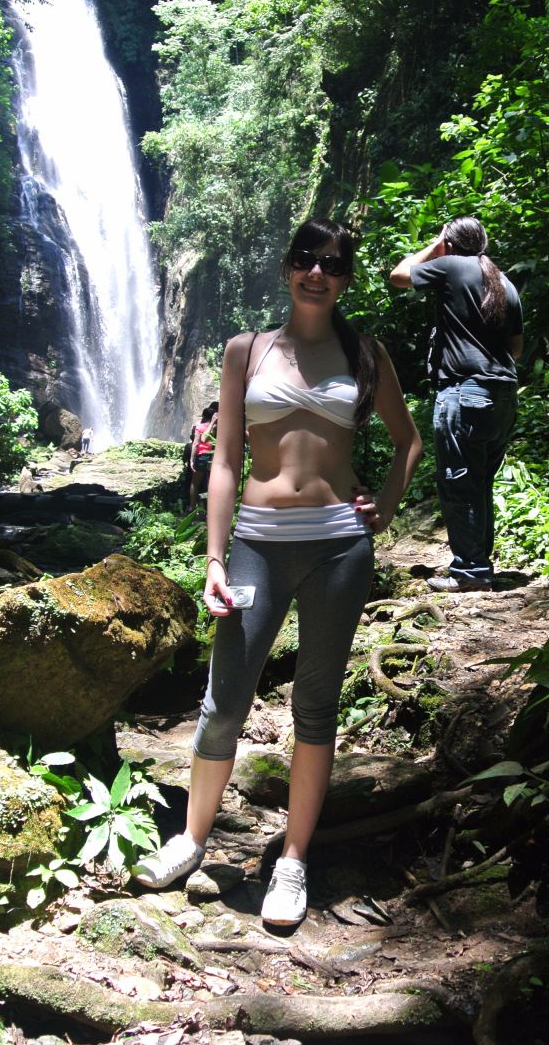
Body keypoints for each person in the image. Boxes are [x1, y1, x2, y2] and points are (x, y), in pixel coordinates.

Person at [134, 218, 422, 926]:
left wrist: (384, 507)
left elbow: (408, 440)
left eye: (332, 263)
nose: (317, 272)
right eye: (306, 259)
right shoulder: (247, 351)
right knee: (224, 701)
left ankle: (292, 861)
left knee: (315, 707)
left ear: (346, 278)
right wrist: (214, 557)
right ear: (288, 267)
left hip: (338, 549)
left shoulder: (366, 354)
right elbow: (226, 461)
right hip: (257, 545)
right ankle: (191, 840)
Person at [389, 216, 523, 592]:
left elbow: (399, 276)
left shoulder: (450, 265)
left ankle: (470, 571)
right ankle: (479, 566)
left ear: (449, 243)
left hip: (465, 393)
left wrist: (434, 246)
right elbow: (515, 348)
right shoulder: (504, 282)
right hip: (503, 393)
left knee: (459, 483)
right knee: (479, 483)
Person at [188, 402, 219, 512]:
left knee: (195, 483)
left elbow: (196, 443)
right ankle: (210, 509)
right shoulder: (216, 427)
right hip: (212, 456)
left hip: (202, 456)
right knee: (210, 483)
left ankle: (192, 507)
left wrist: (191, 459)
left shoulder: (200, 426)